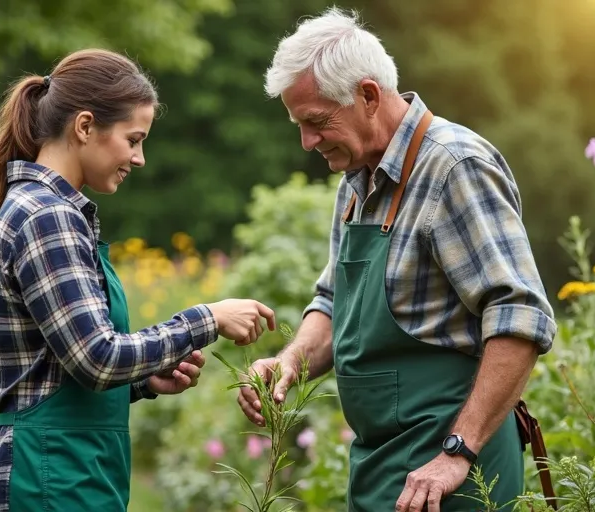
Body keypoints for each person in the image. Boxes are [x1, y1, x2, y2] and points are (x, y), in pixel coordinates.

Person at [237, 8, 556, 512]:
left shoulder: (454, 167)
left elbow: (520, 316)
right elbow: (334, 300)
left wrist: (458, 451)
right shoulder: (358, 179)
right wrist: (288, 363)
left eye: (317, 122)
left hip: (451, 474)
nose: (306, 142)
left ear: (367, 95)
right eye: (299, 125)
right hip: (381, 461)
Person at [0, 48, 276, 512]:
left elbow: (56, 367)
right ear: (85, 126)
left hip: (65, 474)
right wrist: (207, 318)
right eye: (133, 139)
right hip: (47, 478)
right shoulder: (46, 217)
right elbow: (97, 357)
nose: (140, 158)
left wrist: (144, 382)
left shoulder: (51, 212)